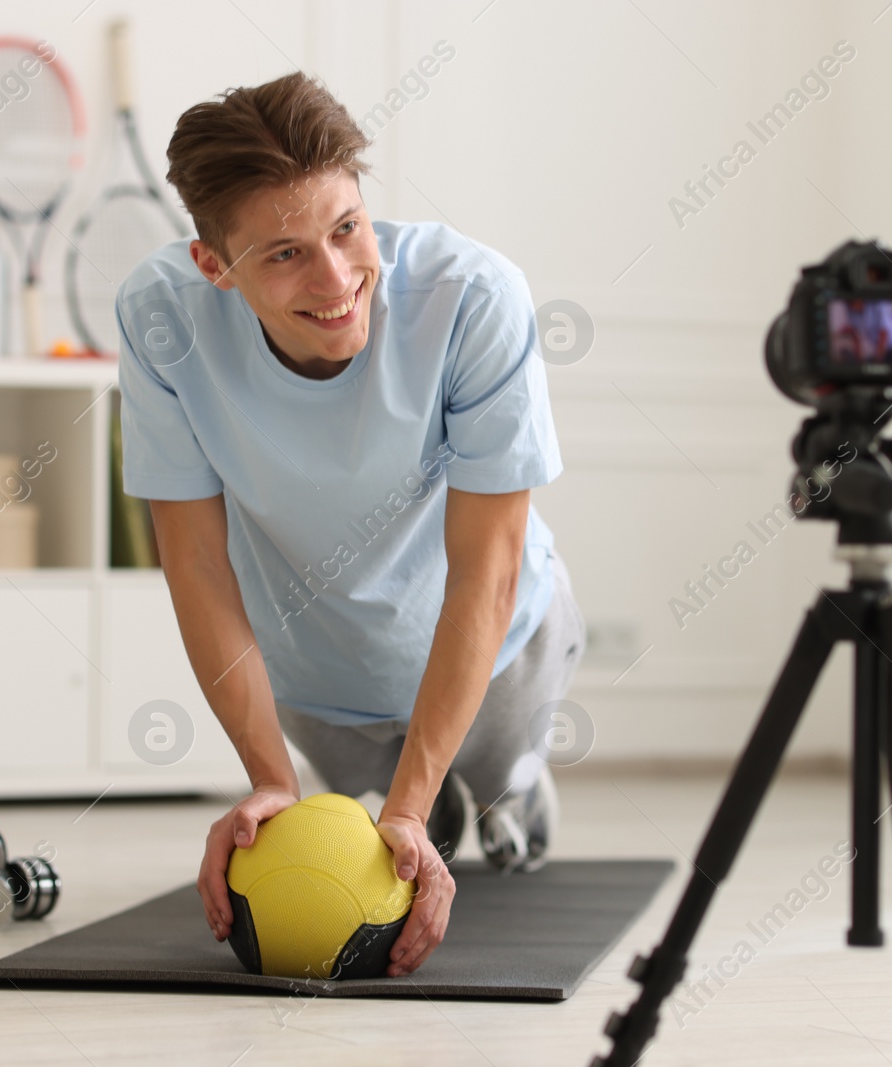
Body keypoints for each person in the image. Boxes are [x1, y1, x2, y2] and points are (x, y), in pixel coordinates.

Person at [116, 71, 585, 977]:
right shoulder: (161, 317)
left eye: (345, 227)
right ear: (215, 266)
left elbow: (485, 574)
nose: (336, 279)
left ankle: (499, 792)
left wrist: (409, 805)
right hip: (316, 667)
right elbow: (197, 566)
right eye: (284, 254)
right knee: (359, 824)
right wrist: (266, 775)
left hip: (499, 646)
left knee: (483, 794)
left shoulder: (474, 299)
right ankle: (424, 796)